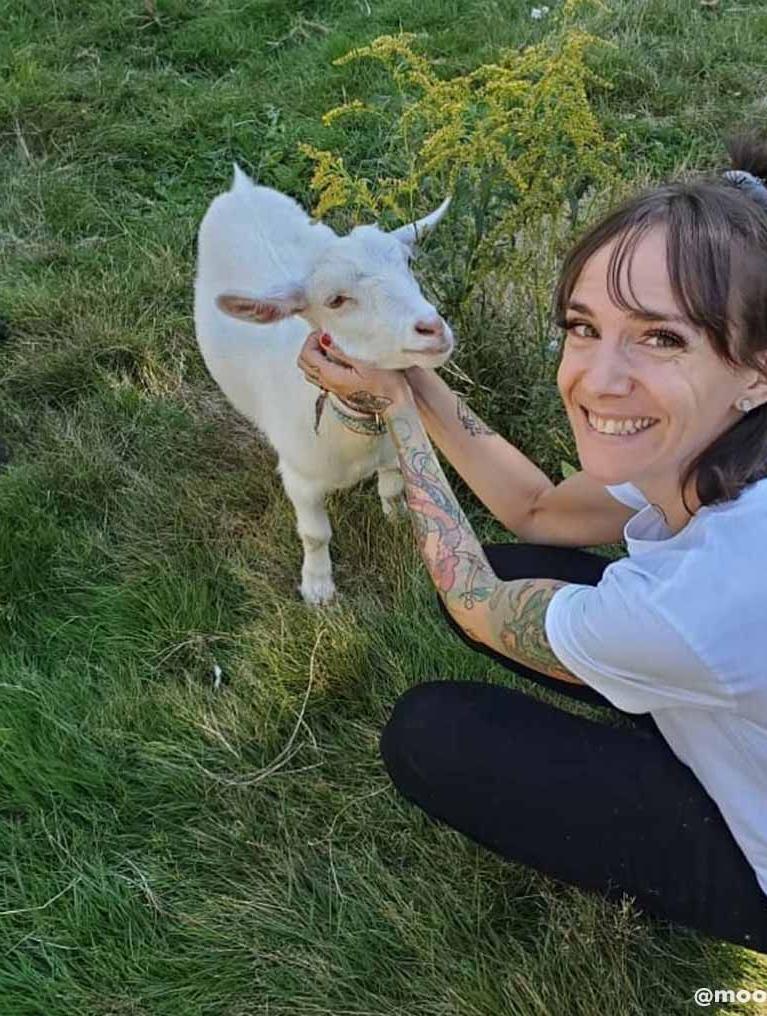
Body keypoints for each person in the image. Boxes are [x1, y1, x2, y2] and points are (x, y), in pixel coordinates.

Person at [296, 132, 767, 952]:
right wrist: (405, 368)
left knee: (432, 735)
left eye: (661, 338)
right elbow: (539, 510)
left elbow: (476, 601)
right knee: (523, 564)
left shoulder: (710, 597)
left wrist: (396, 415)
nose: (597, 379)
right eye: (583, 326)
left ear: (755, 369)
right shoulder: (716, 441)